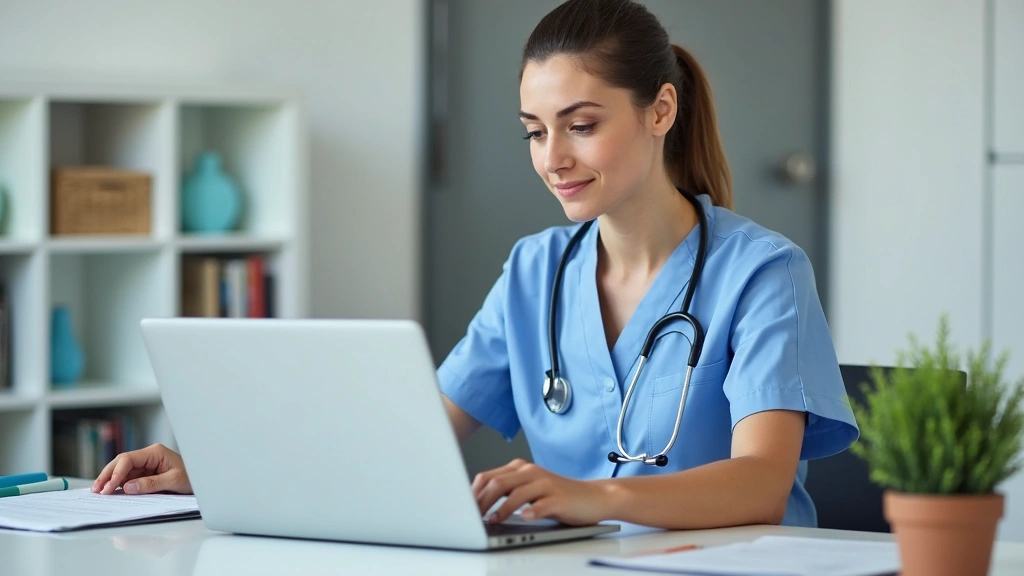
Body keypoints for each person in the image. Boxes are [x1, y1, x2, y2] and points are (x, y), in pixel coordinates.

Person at [92, 0, 857, 531]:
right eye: (534, 131)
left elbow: (761, 484)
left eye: (582, 126)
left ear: (660, 110)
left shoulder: (762, 274)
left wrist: (593, 497)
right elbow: (408, 437)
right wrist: (216, 466)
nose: (553, 159)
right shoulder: (535, 273)